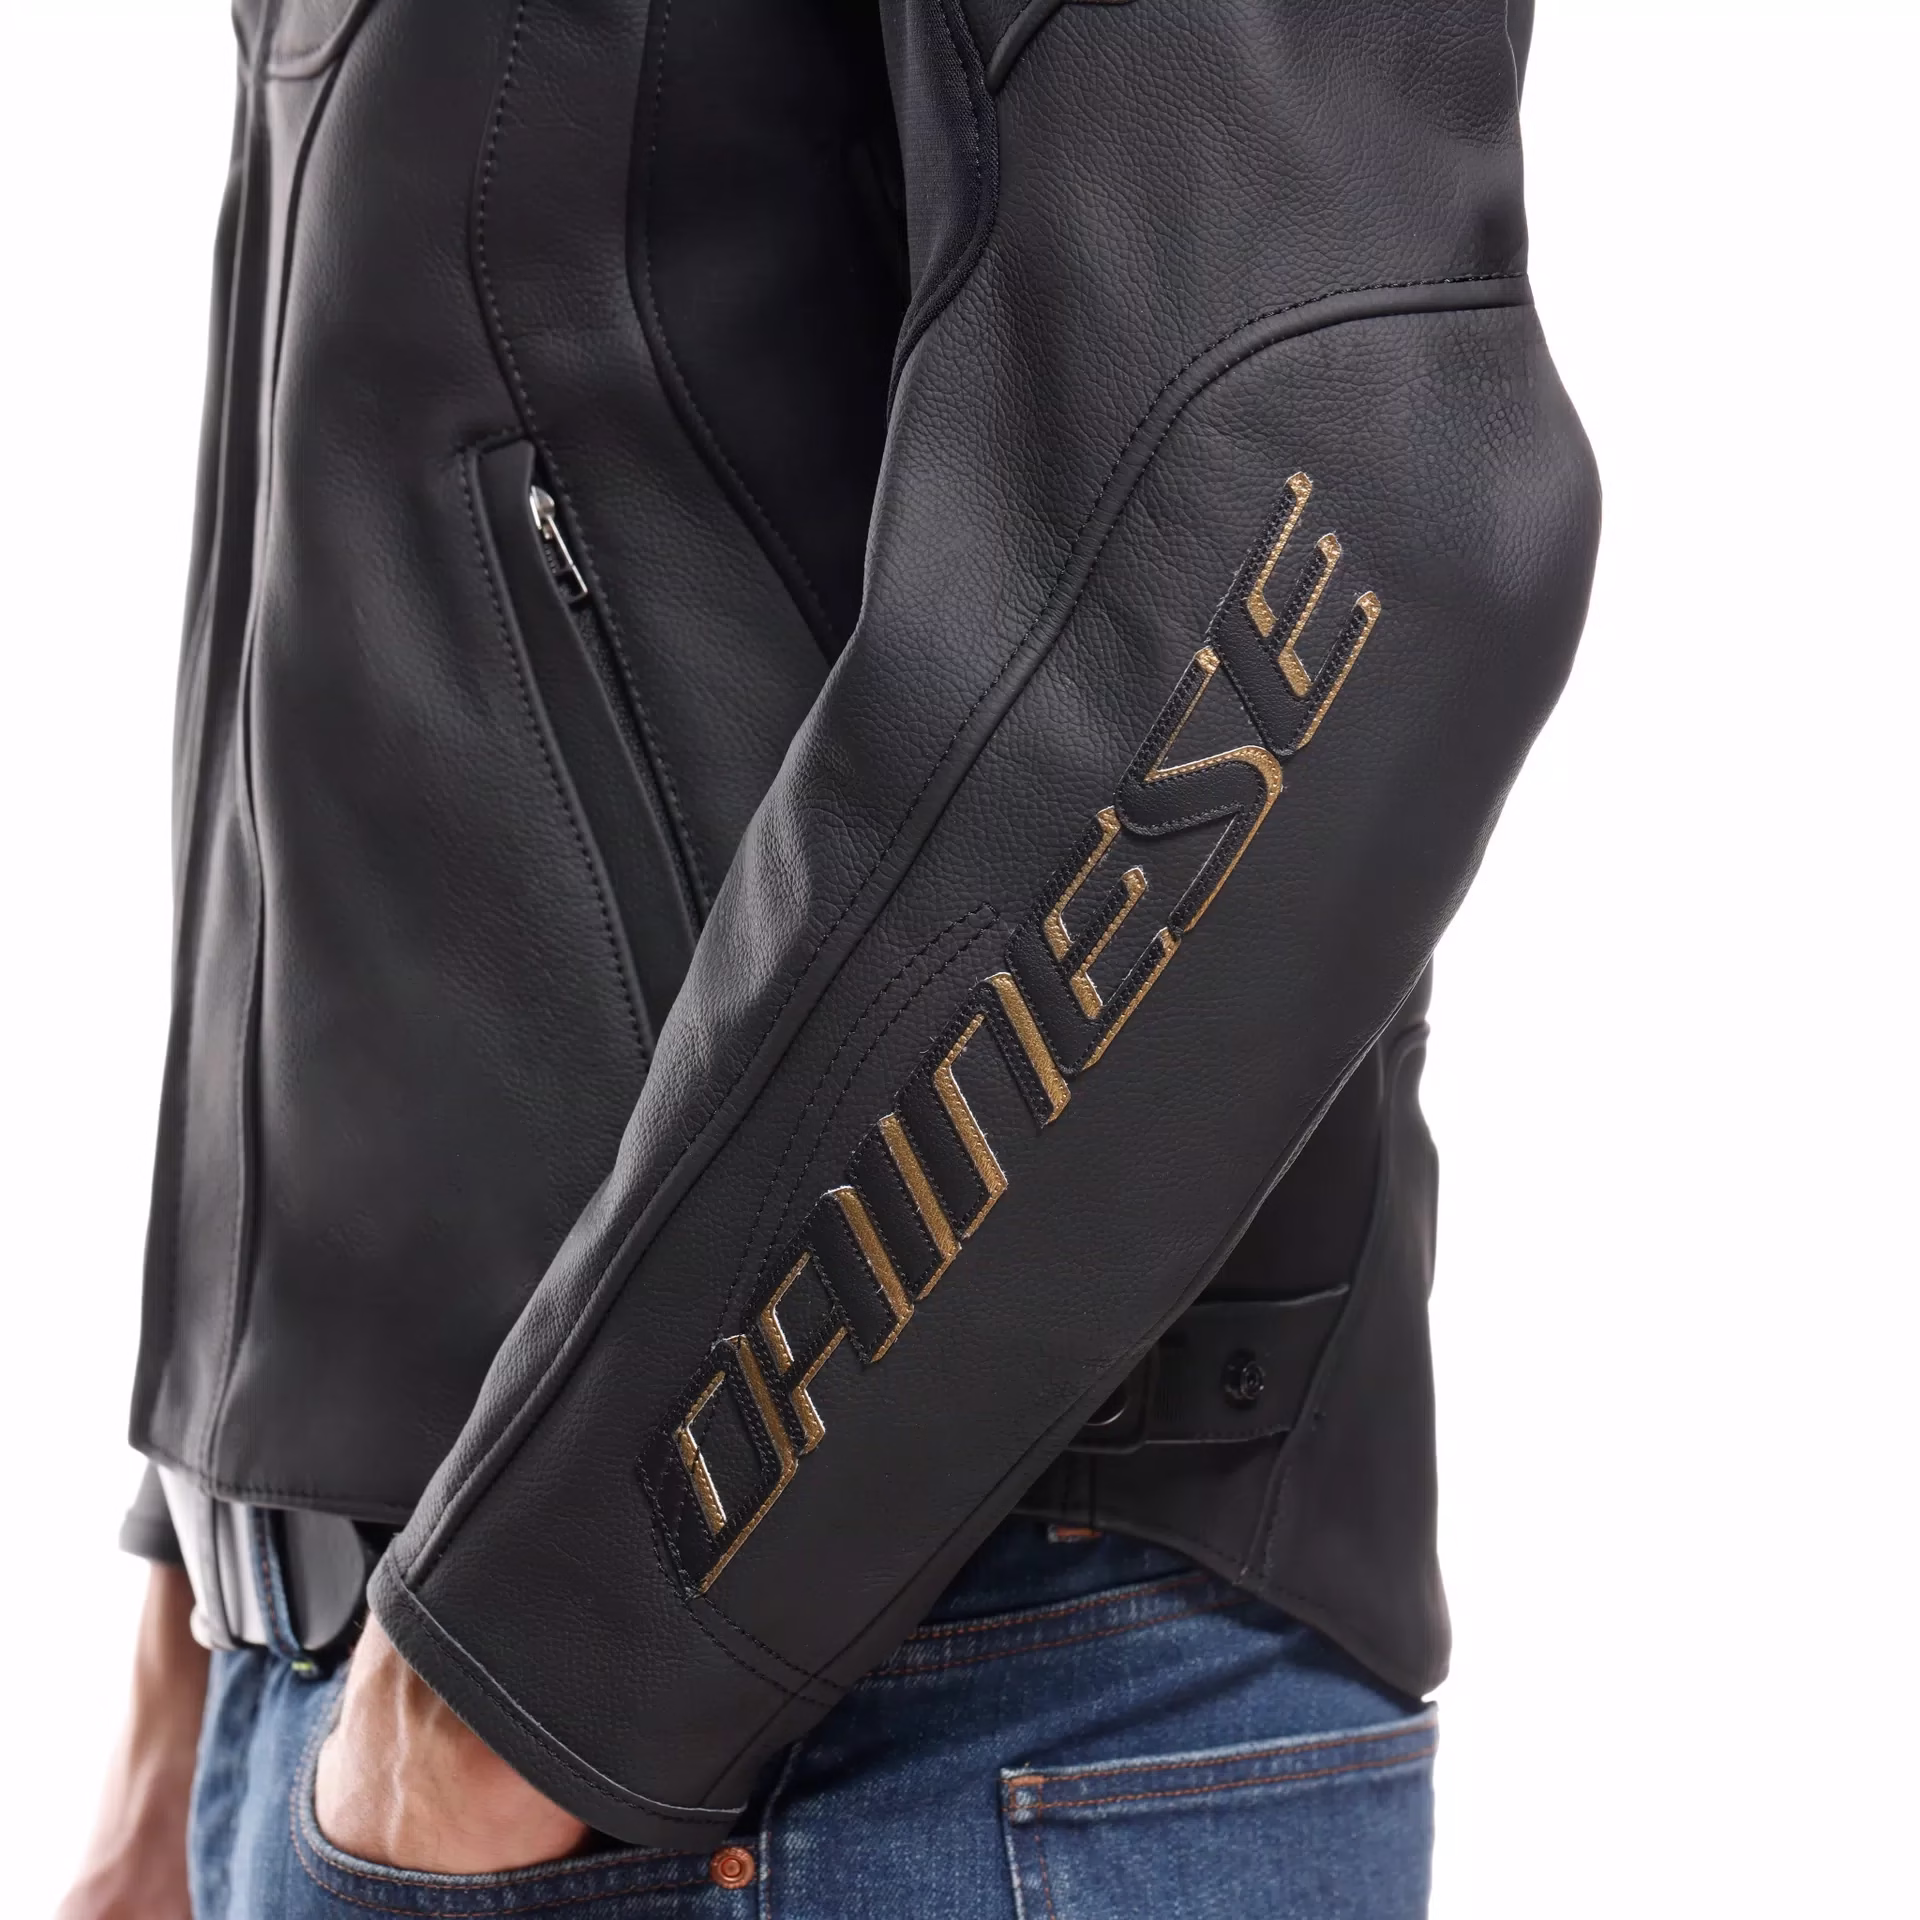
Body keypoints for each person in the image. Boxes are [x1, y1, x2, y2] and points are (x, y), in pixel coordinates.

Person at [60, 1, 1595, 1914]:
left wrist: (538, 1661)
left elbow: (1310, 479)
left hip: (890, 1717)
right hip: (388, 1710)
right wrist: (200, 1603)